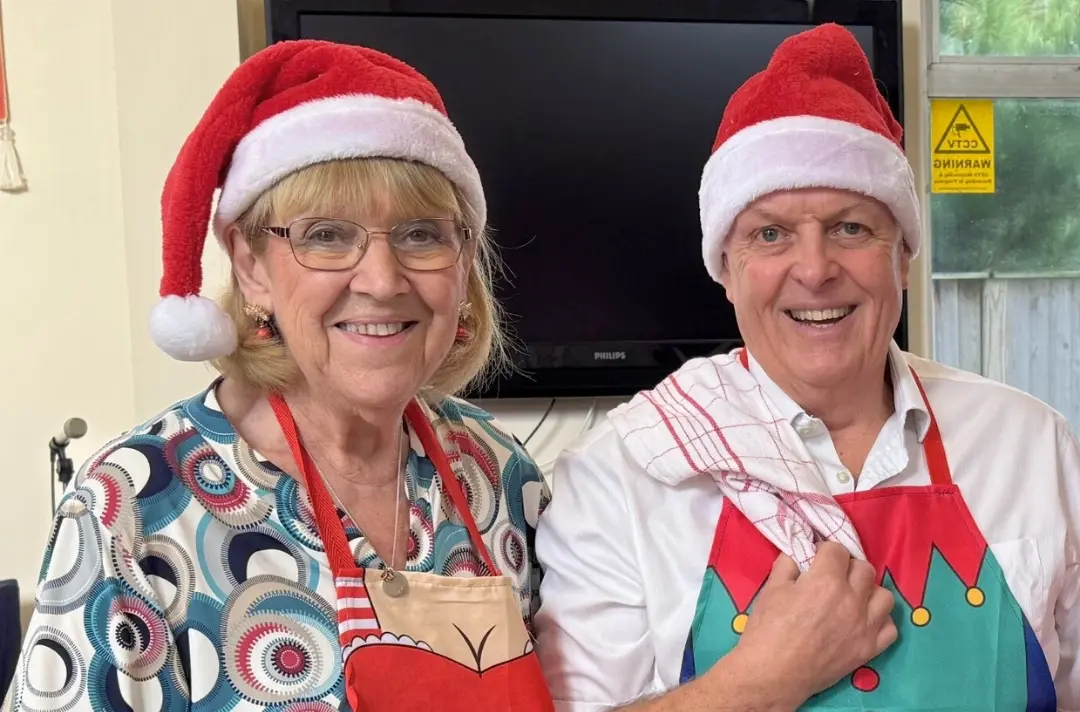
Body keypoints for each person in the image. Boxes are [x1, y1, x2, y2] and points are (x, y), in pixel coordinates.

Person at [534, 23, 1080, 711]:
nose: (816, 270)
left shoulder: (1031, 444)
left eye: (851, 227)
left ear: (902, 258)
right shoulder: (622, 477)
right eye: (771, 234)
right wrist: (756, 684)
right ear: (726, 270)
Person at [10, 40, 554, 712]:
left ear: (463, 259)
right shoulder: (131, 510)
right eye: (326, 235)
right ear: (251, 266)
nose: (383, 281)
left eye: (421, 234)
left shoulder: (498, 470)